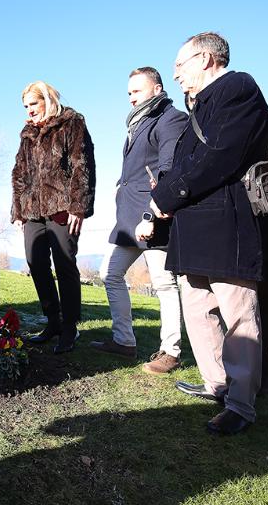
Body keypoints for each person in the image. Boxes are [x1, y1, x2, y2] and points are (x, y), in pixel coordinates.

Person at [150, 32, 268, 436]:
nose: (175, 74)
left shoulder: (237, 87)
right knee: (199, 310)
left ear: (205, 59)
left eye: (180, 65)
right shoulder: (197, 104)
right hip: (192, 223)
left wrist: (166, 195)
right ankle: (217, 385)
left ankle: (241, 404)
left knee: (238, 314)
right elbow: (186, 160)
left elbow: (218, 156)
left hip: (224, 221)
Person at [92, 67, 186, 372]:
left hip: (152, 216)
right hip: (127, 218)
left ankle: (170, 351)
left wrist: (151, 215)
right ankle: (124, 342)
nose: (131, 98)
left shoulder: (170, 118)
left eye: (137, 91)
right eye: (129, 92)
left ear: (157, 89)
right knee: (110, 274)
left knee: (164, 284)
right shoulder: (137, 123)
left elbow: (168, 169)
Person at [11, 81, 95, 354]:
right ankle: (54, 322)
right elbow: (18, 173)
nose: (29, 110)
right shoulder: (27, 133)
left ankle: (70, 328)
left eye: (33, 104)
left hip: (63, 208)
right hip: (33, 211)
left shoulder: (71, 123)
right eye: (26, 106)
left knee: (65, 266)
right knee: (35, 262)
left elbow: (82, 165)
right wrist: (19, 210)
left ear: (48, 100)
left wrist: (78, 207)